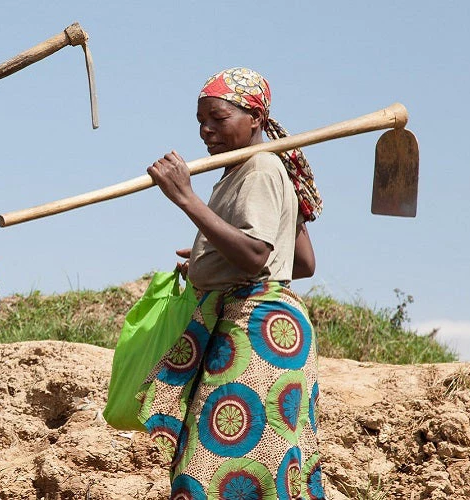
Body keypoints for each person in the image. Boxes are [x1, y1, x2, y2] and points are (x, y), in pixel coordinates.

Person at [140, 67, 324, 499]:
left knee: (213, 465)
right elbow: (301, 261)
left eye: (218, 119)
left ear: (255, 119)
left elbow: (257, 256)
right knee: (254, 462)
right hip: (270, 325)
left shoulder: (260, 168)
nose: (206, 130)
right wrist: (211, 262)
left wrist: (186, 198)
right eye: (201, 121)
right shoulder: (245, 171)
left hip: (256, 329)